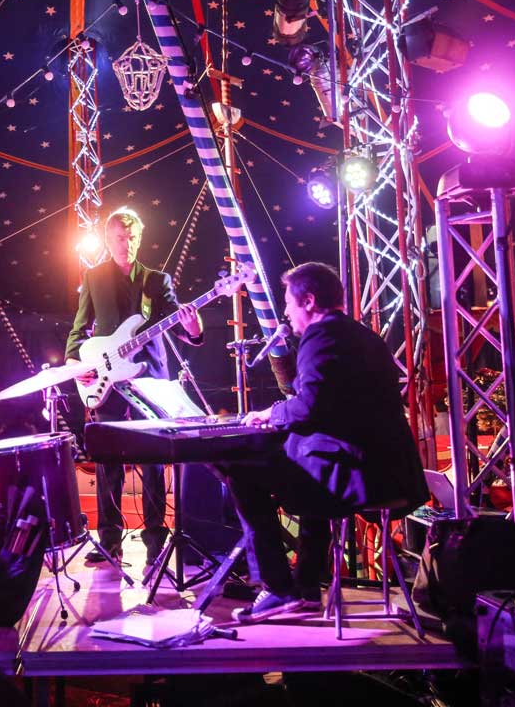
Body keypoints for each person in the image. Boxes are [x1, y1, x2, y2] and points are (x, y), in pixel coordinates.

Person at [219, 262, 428, 623]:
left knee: (241, 474)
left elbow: (310, 407)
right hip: (390, 474)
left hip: (356, 477)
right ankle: (306, 588)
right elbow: (336, 407)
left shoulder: (321, 336)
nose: (285, 312)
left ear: (310, 301)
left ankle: (277, 587)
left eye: (288, 303)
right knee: (303, 465)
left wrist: (272, 414)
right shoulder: (364, 336)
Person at [66, 207, 203, 571]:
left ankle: (156, 540)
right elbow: (80, 330)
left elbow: (180, 326)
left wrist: (192, 327)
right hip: (108, 379)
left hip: (150, 378)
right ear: (109, 240)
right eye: (119, 238)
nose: (126, 244)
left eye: (131, 238)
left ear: (139, 239)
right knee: (108, 460)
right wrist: (75, 364)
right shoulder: (93, 278)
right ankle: (110, 541)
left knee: (154, 463)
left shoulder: (157, 281)